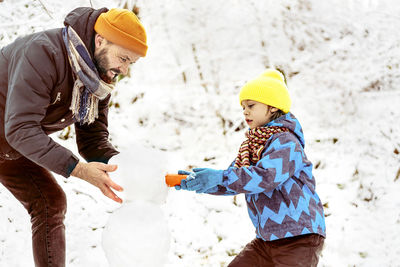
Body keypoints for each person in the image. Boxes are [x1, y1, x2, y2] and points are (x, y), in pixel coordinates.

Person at [0, 7, 147, 267]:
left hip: (11, 148)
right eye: (123, 58)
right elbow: (21, 128)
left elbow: (93, 138)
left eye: (130, 63)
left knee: (50, 203)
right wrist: (78, 169)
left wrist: (126, 170)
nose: (123, 70)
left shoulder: (97, 81)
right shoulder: (43, 53)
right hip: (15, 136)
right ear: (100, 40)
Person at [176, 69, 326, 266]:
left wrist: (221, 177)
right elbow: (236, 179)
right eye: (243, 107)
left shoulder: (286, 142)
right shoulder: (253, 144)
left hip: (299, 237)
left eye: (251, 105)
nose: (245, 111)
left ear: (272, 107)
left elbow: (266, 177)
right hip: (267, 240)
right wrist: (201, 182)